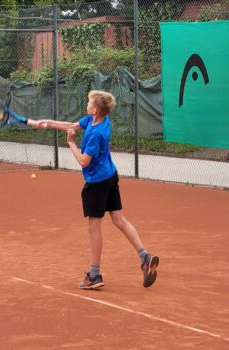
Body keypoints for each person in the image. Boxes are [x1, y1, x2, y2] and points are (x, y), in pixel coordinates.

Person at [31, 90, 159, 290]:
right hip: (110, 176)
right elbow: (72, 126)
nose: (87, 105)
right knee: (118, 219)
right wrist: (46, 123)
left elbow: (83, 161)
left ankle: (94, 274)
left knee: (94, 227)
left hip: (97, 183)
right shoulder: (97, 120)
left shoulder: (96, 134)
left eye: (89, 103)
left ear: (96, 110)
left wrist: (71, 143)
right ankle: (144, 256)